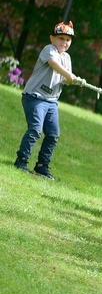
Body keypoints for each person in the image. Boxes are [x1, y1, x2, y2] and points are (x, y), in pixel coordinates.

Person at [14, 21, 85, 180]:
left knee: (53, 134)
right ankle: (21, 161)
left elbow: (66, 79)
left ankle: (42, 166)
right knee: (35, 130)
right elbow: (54, 64)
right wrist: (68, 75)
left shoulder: (67, 58)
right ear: (52, 38)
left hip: (52, 101)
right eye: (61, 38)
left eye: (68, 40)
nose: (64, 43)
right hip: (35, 97)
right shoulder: (49, 50)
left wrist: (75, 80)